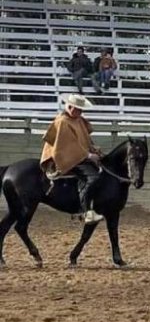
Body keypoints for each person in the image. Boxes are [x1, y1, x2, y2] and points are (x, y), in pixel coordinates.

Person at [40, 94, 104, 224]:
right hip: (65, 158)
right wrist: (89, 155)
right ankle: (86, 211)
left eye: (81, 110)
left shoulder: (77, 119)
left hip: (77, 155)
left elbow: (82, 139)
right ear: (70, 107)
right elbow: (67, 147)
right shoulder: (62, 122)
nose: (81, 112)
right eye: (79, 109)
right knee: (93, 177)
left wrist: (92, 148)